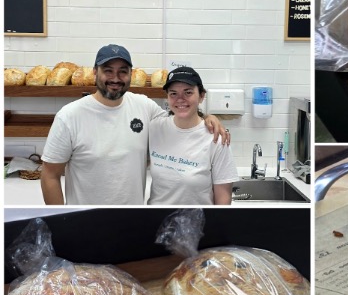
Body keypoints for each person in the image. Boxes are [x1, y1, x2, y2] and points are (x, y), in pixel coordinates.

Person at [40, 45, 229, 205]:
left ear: (130, 74)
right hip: (86, 220)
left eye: (123, 71)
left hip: (134, 220)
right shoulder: (69, 116)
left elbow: (181, 118)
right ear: (95, 72)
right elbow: (49, 175)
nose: (115, 78)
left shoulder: (143, 106)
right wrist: (64, 217)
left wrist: (208, 117)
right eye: (108, 70)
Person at [147, 67, 239, 205]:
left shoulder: (216, 138)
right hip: (157, 222)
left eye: (188, 92)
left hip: (196, 223)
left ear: (201, 96)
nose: (180, 99)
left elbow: (223, 200)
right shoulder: (155, 128)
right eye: (173, 93)